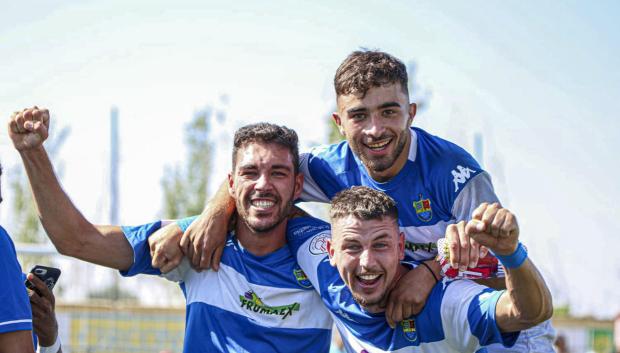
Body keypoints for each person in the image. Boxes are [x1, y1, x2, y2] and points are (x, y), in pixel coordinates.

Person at [174, 50, 555, 350]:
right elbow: (262, 174)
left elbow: (498, 272)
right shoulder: (329, 166)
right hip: (400, 323)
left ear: (411, 113)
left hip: (486, 327)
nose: (375, 130)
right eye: (359, 115)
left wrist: (431, 273)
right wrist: (212, 214)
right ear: (340, 123)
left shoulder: (454, 174)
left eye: (389, 111)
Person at [8, 107, 332, 353]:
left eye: (278, 173)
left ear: (298, 184)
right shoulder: (194, 242)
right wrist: (32, 152)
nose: (263, 185)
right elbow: (77, 240)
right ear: (231, 184)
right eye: (250, 172)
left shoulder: (330, 254)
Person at [288, 186, 552, 352]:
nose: (366, 262)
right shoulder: (320, 264)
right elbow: (276, 210)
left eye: (381, 245)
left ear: (401, 247)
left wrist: (510, 253)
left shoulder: (444, 302)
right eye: (352, 247)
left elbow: (528, 313)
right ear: (331, 252)